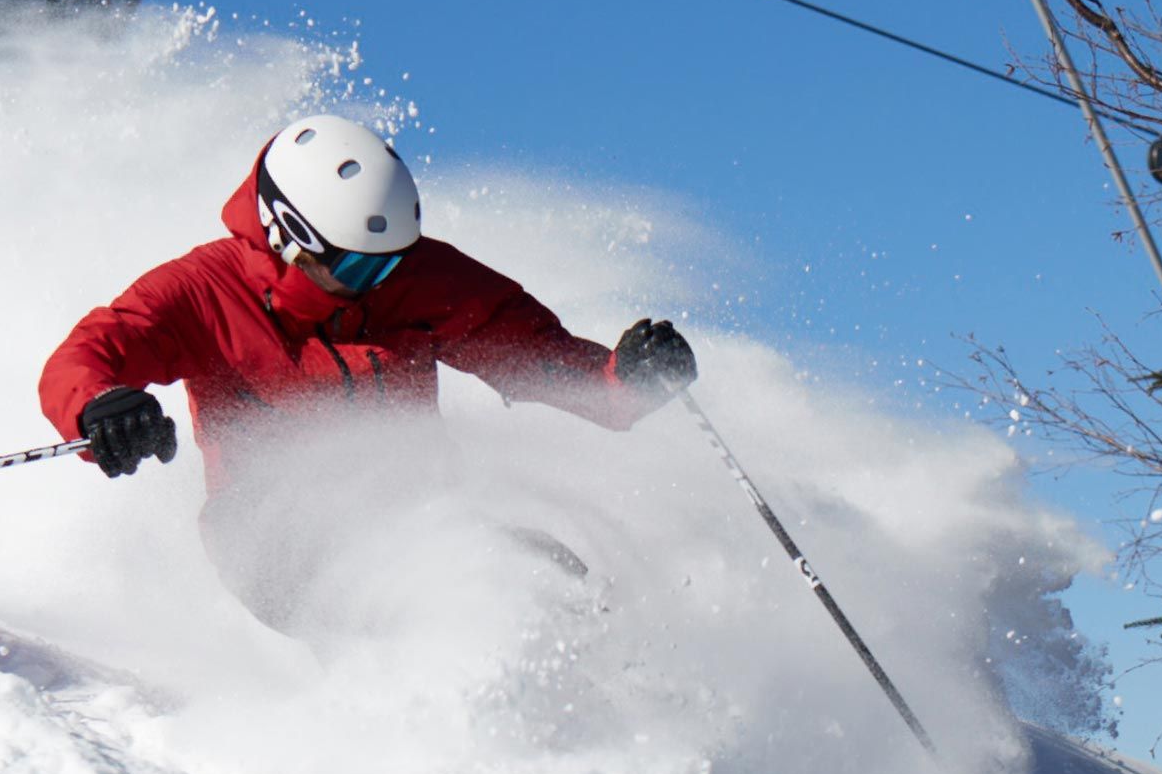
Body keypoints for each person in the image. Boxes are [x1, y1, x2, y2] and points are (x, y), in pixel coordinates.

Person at [37, 114, 697, 628]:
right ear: (286, 233)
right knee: (425, 604)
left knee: (552, 578)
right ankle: (423, 751)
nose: (375, 284)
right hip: (269, 533)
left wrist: (627, 380)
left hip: (423, 518)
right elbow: (89, 354)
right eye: (356, 267)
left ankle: (634, 732)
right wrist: (99, 406)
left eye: (389, 263)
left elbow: (535, 357)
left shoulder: (416, 279)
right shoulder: (204, 291)